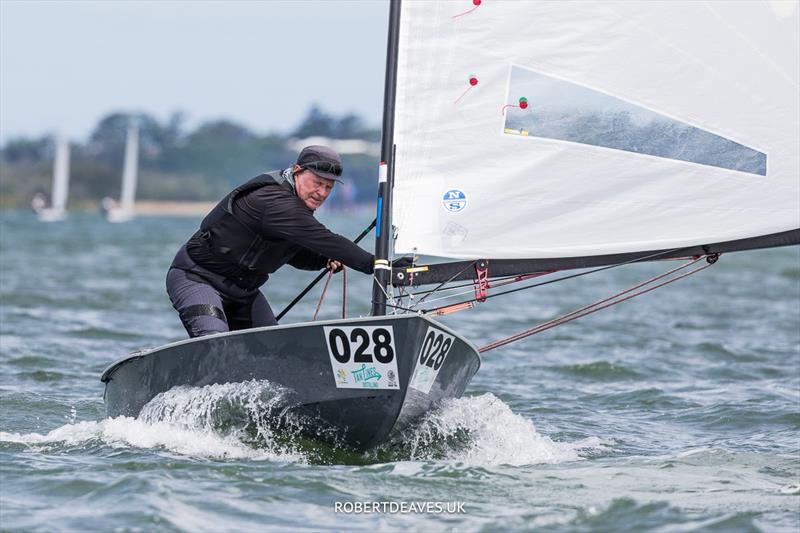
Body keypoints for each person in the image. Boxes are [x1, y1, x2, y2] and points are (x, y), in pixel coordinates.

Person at [166, 145, 375, 338]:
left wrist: (322, 260)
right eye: (317, 183)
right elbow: (325, 239)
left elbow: (293, 253)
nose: (322, 193)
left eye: (328, 187)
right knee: (214, 341)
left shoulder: (295, 212)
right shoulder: (273, 201)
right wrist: (378, 264)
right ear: (296, 171)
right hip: (198, 278)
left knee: (274, 352)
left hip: (244, 294)